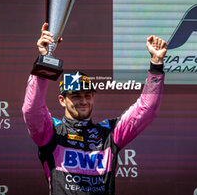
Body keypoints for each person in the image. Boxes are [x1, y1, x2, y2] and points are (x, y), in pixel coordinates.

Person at [22, 23, 167, 195]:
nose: (83, 101)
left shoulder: (110, 134)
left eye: (88, 95)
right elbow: (32, 110)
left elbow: (146, 110)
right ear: (62, 100)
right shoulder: (51, 132)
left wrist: (156, 64)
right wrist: (44, 61)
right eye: (76, 96)